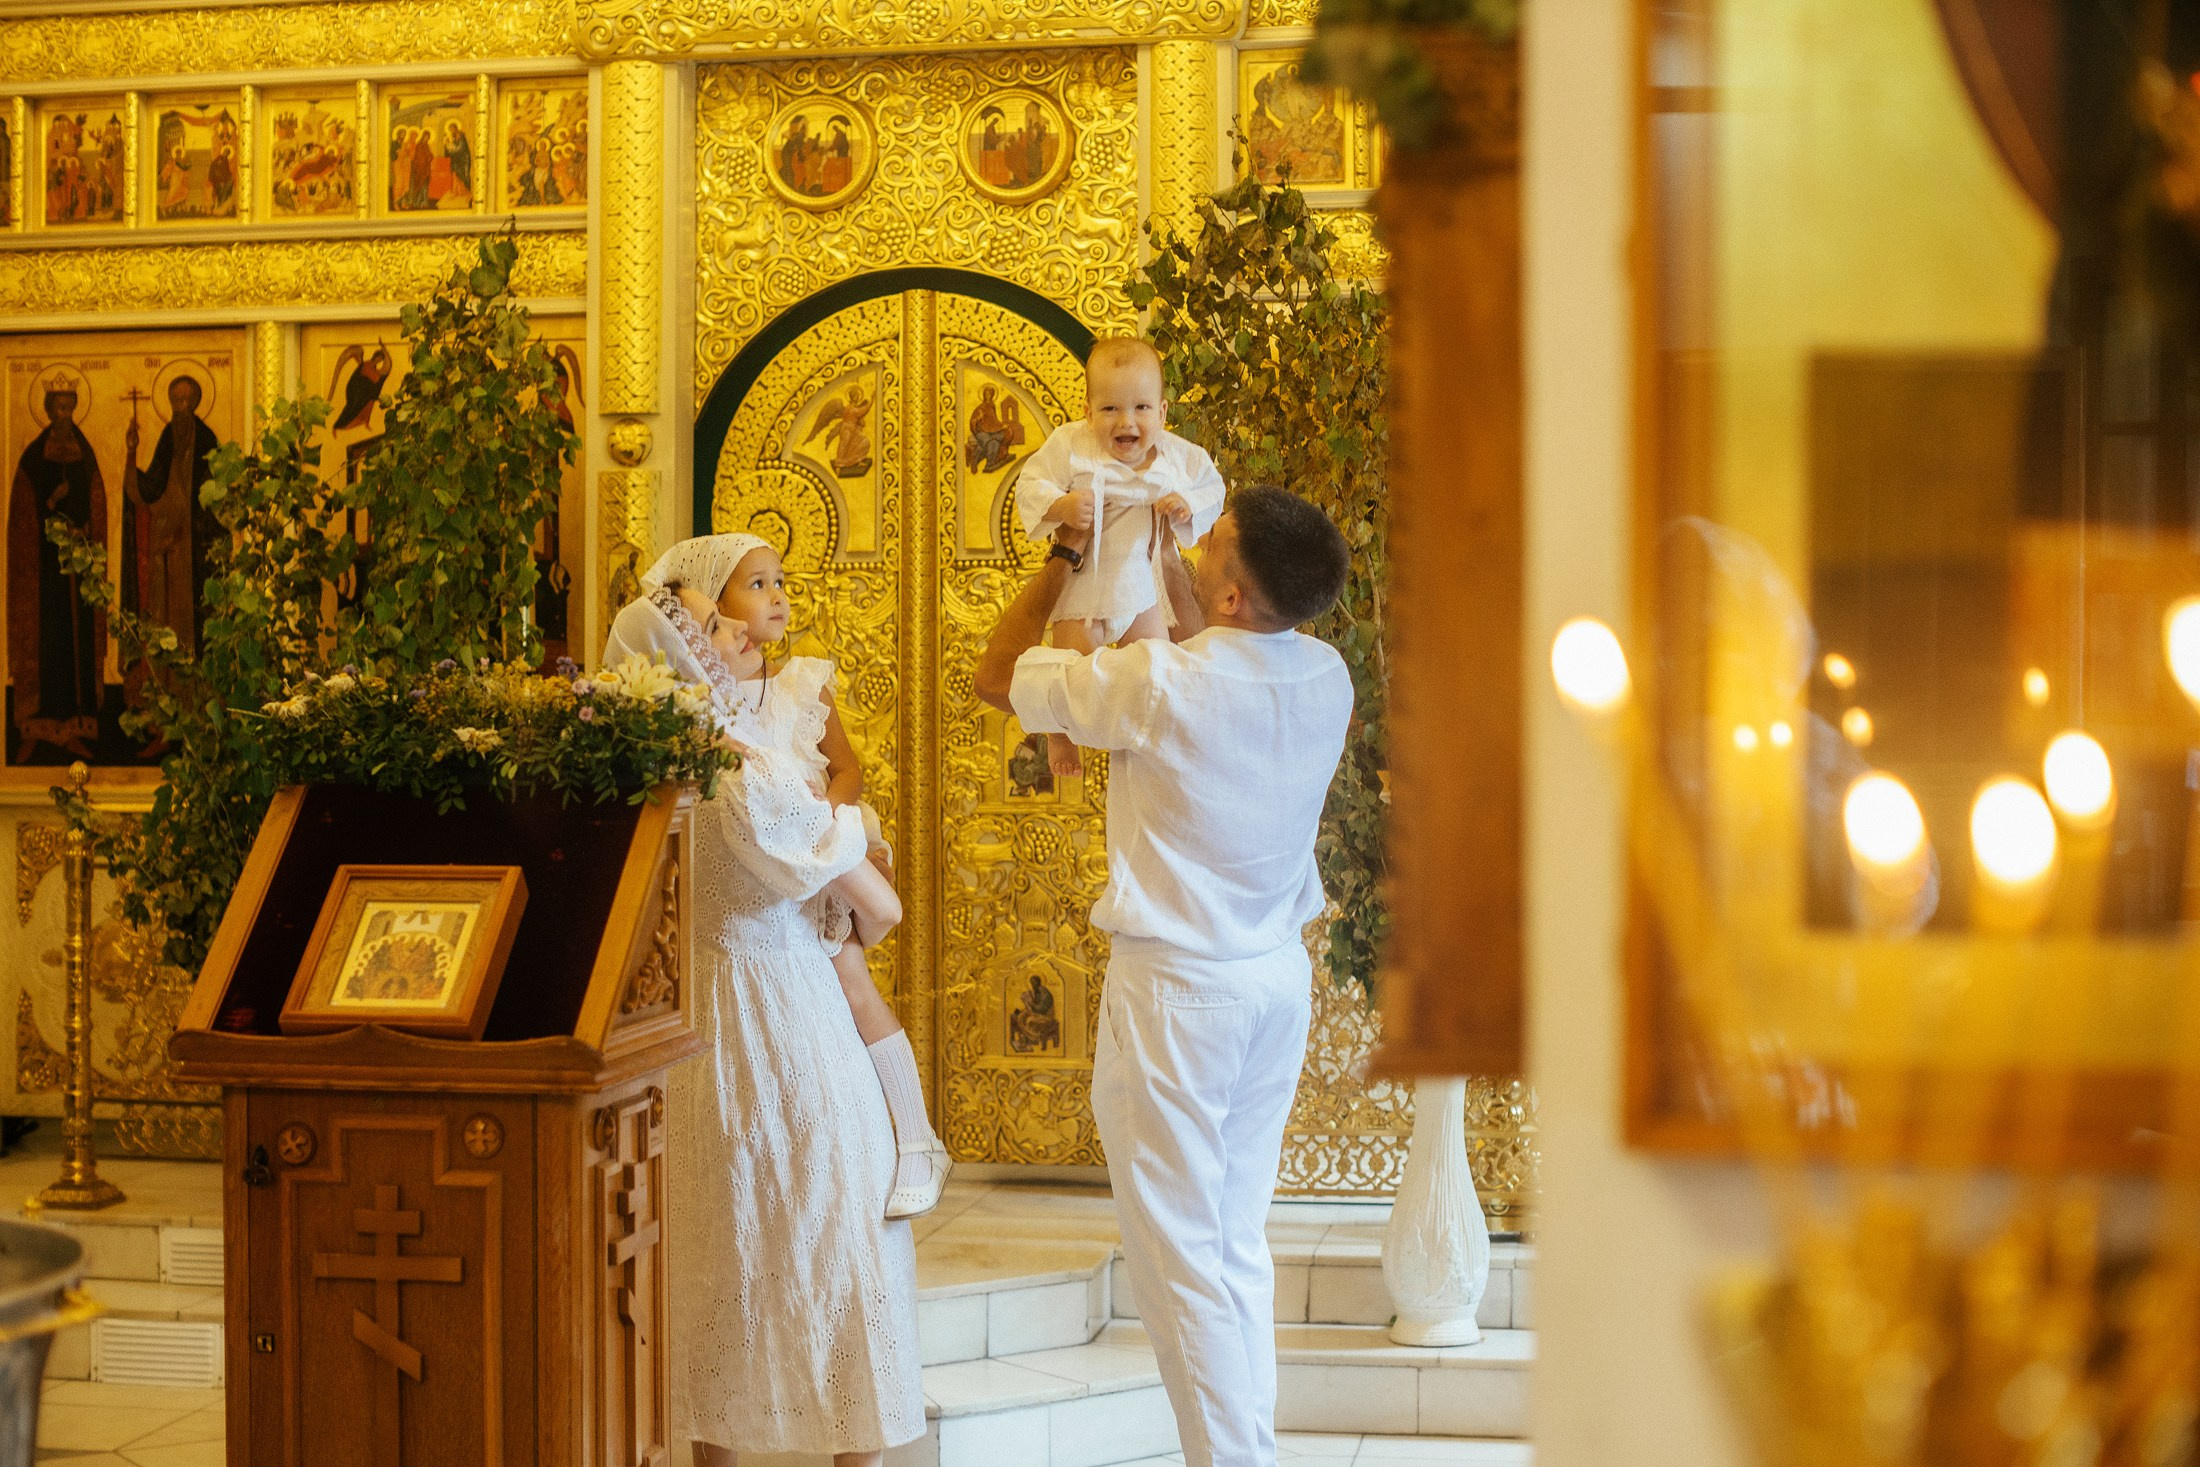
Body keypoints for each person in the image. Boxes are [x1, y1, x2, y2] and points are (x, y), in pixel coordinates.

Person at [974, 484, 1355, 1467]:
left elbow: (1001, 673)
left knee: (1180, 1259)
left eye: (1207, 546)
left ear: (1231, 596)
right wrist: (1178, 559)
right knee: (1230, 1248)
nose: (1188, 554)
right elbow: (1215, 639)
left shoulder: (1156, 684)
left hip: (1180, 994)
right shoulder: (1324, 674)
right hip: (1273, 983)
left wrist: (1068, 553)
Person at [604, 549, 924, 1467]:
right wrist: (851, 842)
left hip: (742, 995)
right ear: (685, 656)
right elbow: (874, 899)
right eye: (715, 623)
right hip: (765, 1006)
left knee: (744, 1236)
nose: (746, 626)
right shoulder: (729, 768)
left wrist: (839, 846)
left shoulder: (699, 749)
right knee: (797, 1229)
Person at [633, 533, 952, 1218]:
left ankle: (919, 1137)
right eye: (755, 586)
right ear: (703, 622)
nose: (776, 597)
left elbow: (847, 769)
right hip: (758, 883)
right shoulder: (694, 716)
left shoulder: (802, 684)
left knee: (850, 977)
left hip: (818, 852)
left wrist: (834, 831)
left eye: (781, 582)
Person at [1013, 336, 1225, 777]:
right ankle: (1060, 736)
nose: (1126, 421)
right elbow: (1031, 484)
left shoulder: (1175, 455)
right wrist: (1063, 507)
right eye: (1110, 409)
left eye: (1141, 409)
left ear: (1163, 413)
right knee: (1067, 666)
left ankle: (1156, 740)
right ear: (1088, 411)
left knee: (1156, 662)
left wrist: (1186, 502)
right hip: (1083, 583)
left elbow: (1211, 486)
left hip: (1140, 585)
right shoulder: (1070, 445)